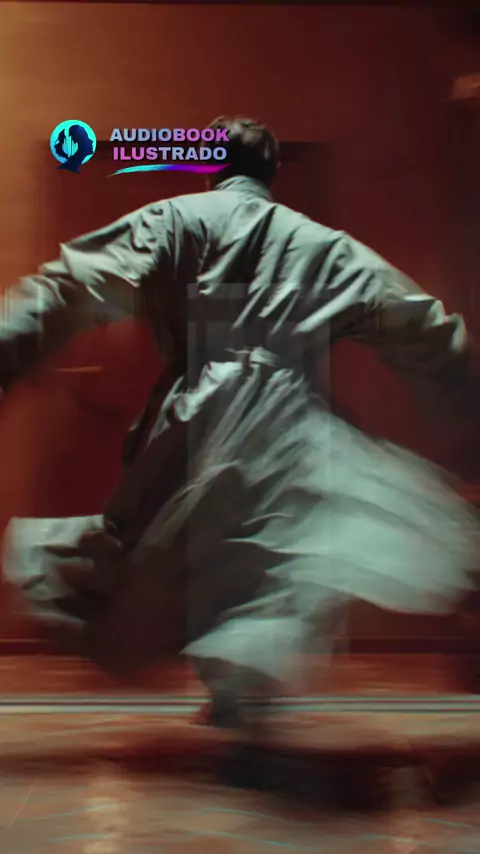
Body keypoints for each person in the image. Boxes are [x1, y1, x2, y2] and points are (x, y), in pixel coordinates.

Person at [1, 116, 479, 768]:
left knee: (184, 547)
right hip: (288, 416)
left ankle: (237, 689)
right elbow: (413, 319)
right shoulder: (321, 245)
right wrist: (456, 382)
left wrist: (10, 352)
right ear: (272, 173)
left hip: (197, 415)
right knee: (279, 544)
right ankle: (244, 687)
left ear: (209, 167)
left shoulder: (173, 220)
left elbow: (69, 287)